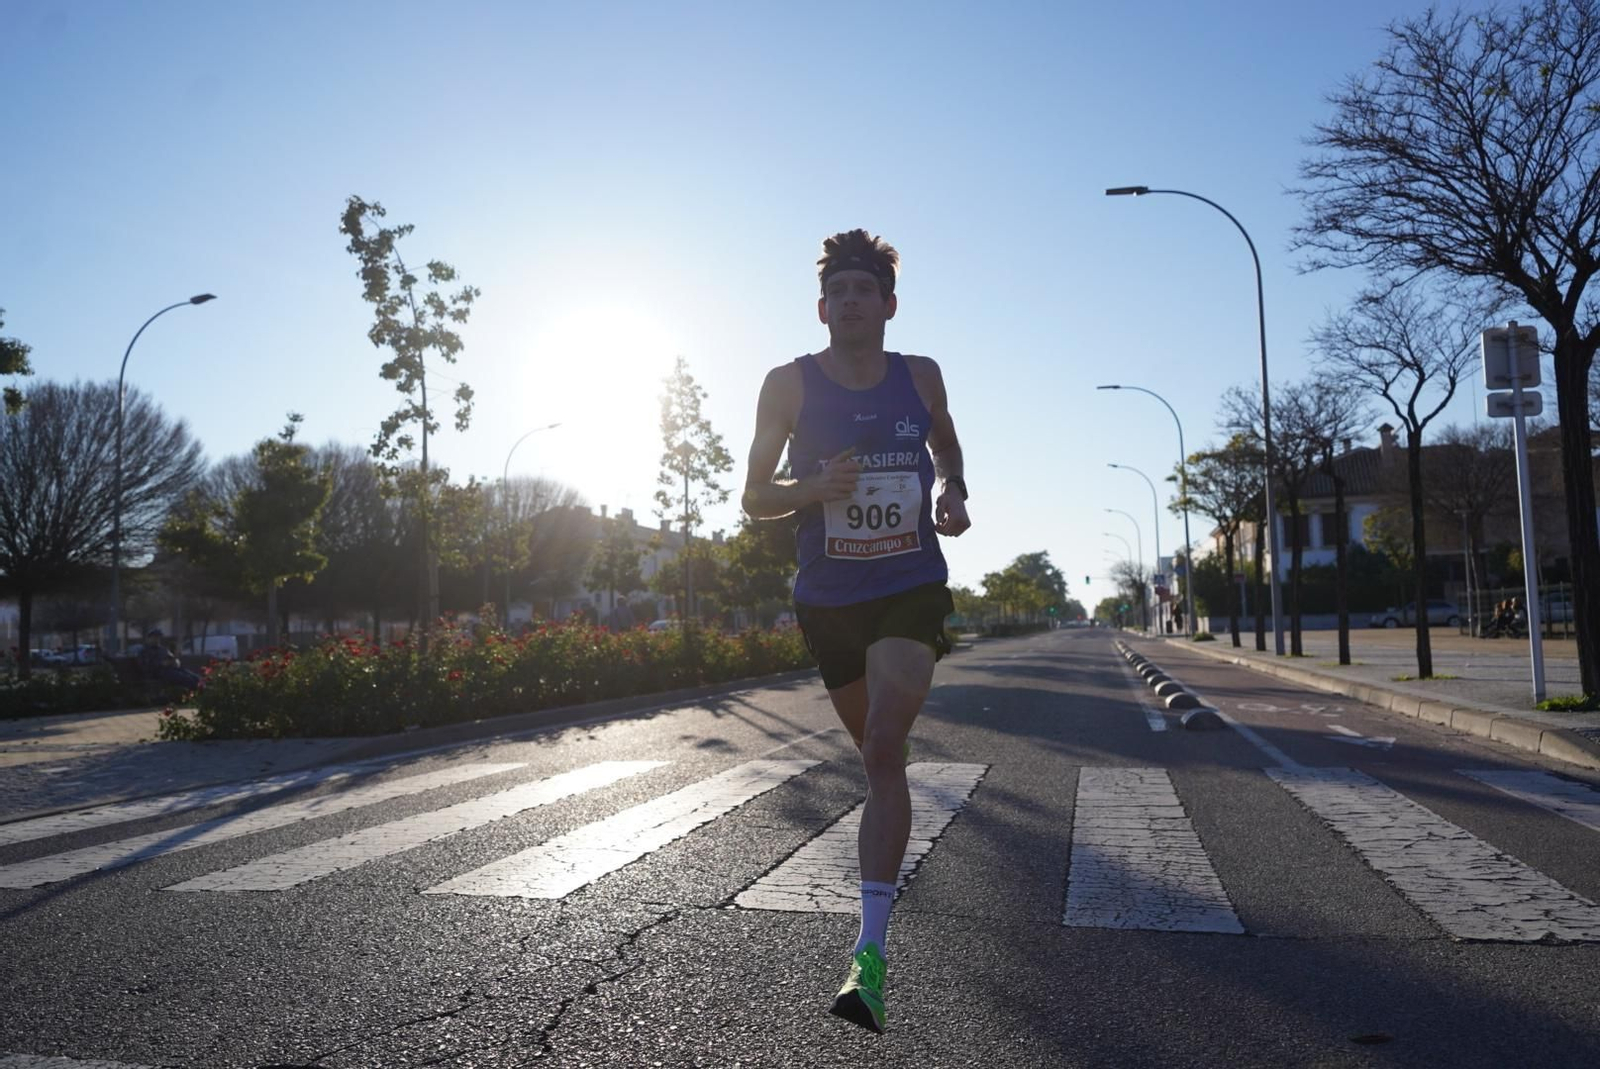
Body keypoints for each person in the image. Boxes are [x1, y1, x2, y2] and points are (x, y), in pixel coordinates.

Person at [741, 228, 971, 1034]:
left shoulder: (922, 377)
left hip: (910, 582)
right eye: (836, 290)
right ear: (821, 306)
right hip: (828, 596)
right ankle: (877, 904)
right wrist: (812, 486)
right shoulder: (788, 385)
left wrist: (955, 491)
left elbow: (946, 447)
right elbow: (753, 496)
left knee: (882, 742)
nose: (848, 300)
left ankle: (868, 953)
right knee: (880, 763)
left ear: (888, 305)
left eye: (862, 289)